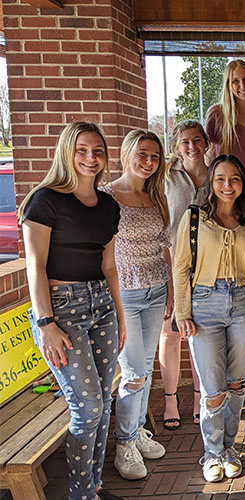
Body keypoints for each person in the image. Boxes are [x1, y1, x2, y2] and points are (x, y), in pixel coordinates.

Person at [19, 122, 125, 500]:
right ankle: (79, 494)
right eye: (82, 150)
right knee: (88, 407)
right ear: (67, 151)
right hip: (62, 311)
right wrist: (45, 322)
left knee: (105, 403)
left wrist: (121, 316)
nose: (91, 158)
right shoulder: (45, 200)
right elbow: (36, 266)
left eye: (97, 150)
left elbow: (109, 265)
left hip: (103, 307)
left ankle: (94, 486)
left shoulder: (109, 205)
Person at [173, 155, 245, 483]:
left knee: (237, 383)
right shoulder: (195, 218)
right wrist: (182, 311)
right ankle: (212, 452)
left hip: (244, 305)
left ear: (243, 184)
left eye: (234, 180)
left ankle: (230, 448)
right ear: (211, 183)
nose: (227, 186)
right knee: (213, 390)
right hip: (204, 305)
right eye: (220, 179)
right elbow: (181, 265)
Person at [101, 130, 170, 481]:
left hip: (156, 289)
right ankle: (124, 444)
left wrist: (171, 290)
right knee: (133, 373)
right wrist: (110, 301)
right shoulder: (108, 195)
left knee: (144, 367)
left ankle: (138, 431)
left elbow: (163, 246)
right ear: (128, 153)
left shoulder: (155, 195)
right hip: (123, 294)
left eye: (155, 156)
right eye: (142, 154)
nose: (148, 162)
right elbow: (102, 253)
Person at [160, 120, 209, 430]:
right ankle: (169, 399)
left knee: (198, 333)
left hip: (206, 266)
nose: (191, 147)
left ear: (205, 142)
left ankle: (198, 396)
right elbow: (162, 226)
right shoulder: (166, 177)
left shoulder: (216, 172)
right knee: (171, 333)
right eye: (185, 142)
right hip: (173, 263)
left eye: (196, 140)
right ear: (177, 147)